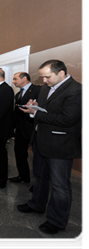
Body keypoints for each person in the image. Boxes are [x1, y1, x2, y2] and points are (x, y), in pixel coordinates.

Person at [17, 60, 85, 234]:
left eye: (47, 76)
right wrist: (35, 106)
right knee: (39, 176)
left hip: (61, 144)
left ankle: (57, 220)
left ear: (61, 73)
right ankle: (37, 204)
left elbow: (67, 120)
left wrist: (36, 113)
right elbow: (46, 110)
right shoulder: (46, 88)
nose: (44, 80)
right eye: (42, 77)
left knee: (59, 185)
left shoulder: (76, 90)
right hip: (42, 140)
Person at [9, 72, 41, 183]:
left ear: (24, 78)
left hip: (34, 130)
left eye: (15, 79)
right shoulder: (18, 95)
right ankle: (23, 176)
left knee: (38, 159)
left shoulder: (38, 90)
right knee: (19, 154)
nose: (13, 81)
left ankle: (38, 184)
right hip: (20, 130)